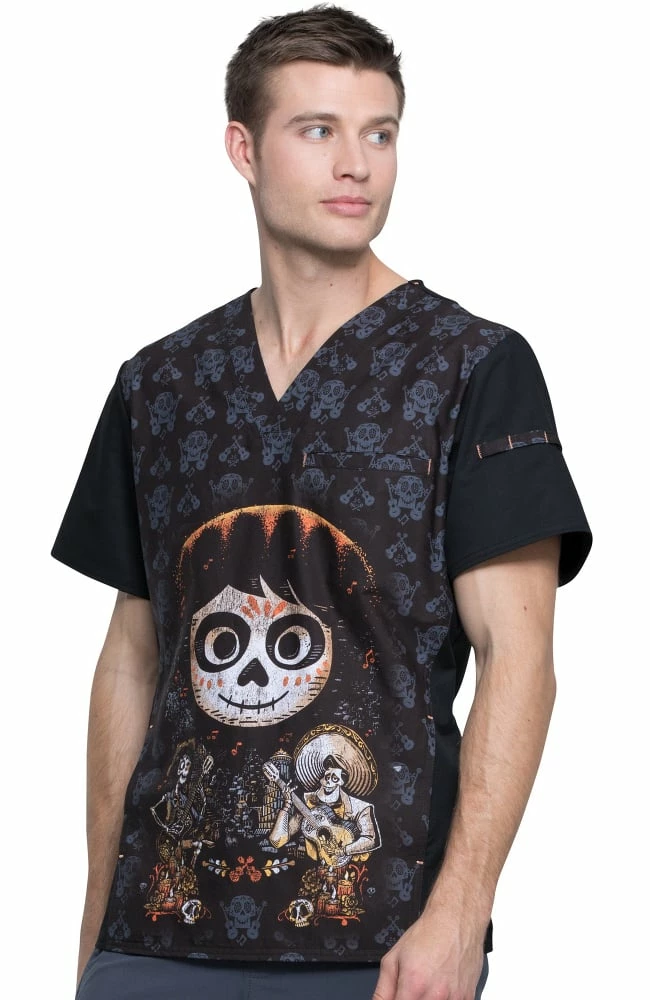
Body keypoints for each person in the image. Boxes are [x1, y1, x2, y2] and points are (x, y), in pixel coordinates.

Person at [52, 5, 592, 999]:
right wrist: (95, 922)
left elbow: (519, 661)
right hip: (155, 934)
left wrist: (458, 914)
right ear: (243, 149)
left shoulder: (473, 368)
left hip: (374, 937)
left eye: (379, 133)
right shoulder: (160, 384)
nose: (357, 165)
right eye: (318, 130)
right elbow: (131, 660)